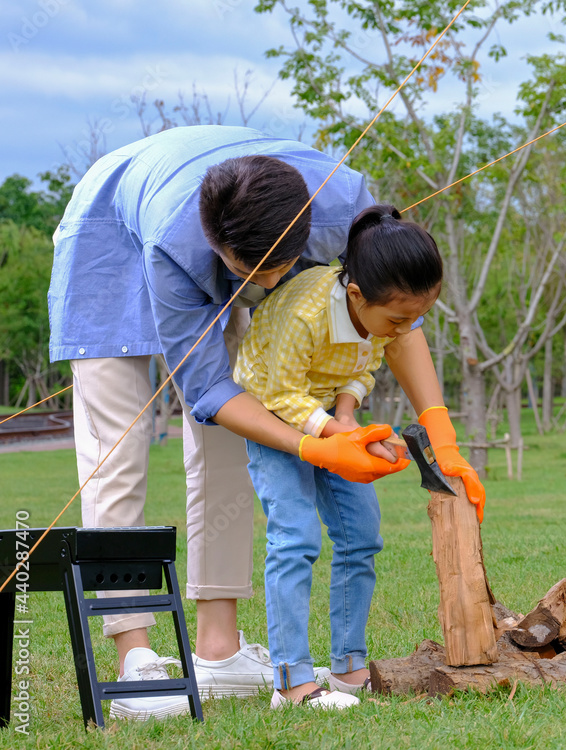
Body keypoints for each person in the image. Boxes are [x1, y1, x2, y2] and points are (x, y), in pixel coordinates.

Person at [47, 126, 448, 719]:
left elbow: (398, 314)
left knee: (224, 449)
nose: (265, 283)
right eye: (248, 271)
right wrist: (315, 449)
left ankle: (218, 650)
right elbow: (207, 387)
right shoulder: (176, 247)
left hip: (227, 205)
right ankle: (137, 659)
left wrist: (441, 434)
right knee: (119, 450)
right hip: (111, 233)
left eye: (279, 267)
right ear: (216, 247)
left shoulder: (347, 208)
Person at [234, 204, 482, 710]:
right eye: (398, 318)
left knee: (361, 536)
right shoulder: (307, 310)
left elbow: (361, 367)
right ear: (355, 294)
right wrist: (330, 435)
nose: (404, 329)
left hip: (328, 415)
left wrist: (346, 417)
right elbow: (280, 392)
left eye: (417, 318)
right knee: (295, 538)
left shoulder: (379, 321)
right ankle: (292, 680)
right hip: (271, 416)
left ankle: (348, 666)